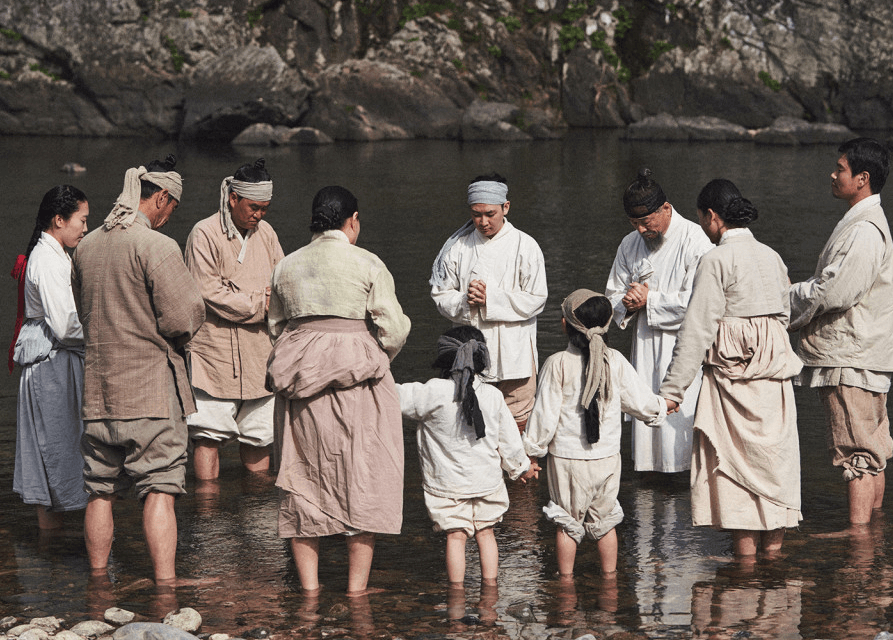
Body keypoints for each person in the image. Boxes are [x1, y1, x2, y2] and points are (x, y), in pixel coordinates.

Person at [266, 185, 411, 595]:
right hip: (358, 381)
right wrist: (368, 352)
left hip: (300, 384)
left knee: (302, 480)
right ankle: (356, 590)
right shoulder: (367, 262)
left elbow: (275, 326)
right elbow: (394, 328)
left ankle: (309, 590)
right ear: (353, 221)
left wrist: (308, 347)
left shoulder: (286, 265)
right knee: (362, 476)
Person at [72, 155, 205, 583]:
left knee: (99, 491)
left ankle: (97, 585)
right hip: (150, 392)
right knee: (160, 488)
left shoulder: (87, 245)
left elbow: (83, 310)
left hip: (97, 393)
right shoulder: (156, 246)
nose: (170, 217)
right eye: (173, 208)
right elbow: (184, 317)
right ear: (162, 197)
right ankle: (166, 586)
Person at [660, 179, 803, 558]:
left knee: (739, 481)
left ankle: (744, 576)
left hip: (733, 386)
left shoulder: (715, 260)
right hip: (775, 385)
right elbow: (785, 315)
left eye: (702, 219)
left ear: (712, 216)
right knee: (774, 475)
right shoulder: (772, 256)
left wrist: (673, 390)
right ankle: (774, 576)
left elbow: (697, 328)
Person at [523, 289, 669, 576]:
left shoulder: (557, 364)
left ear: (566, 325)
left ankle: (565, 586)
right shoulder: (614, 361)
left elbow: (544, 417)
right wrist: (663, 407)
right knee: (606, 522)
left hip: (567, 460)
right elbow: (641, 402)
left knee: (567, 522)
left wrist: (531, 455)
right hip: (607, 458)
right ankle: (610, 584)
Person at [789, 138, 893, 528]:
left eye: (841, 169)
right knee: (874, 447)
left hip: (851, 355)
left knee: (857, 452)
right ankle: (874, 538)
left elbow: (834, 290)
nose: (833, 175)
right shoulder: (865, 222)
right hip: (866, 351)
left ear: (862, 179)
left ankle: (858, 544)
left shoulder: (864, 229)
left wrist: (786, 298)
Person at [397, 326, 536, 585]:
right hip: (488, 482)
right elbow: (510, 442)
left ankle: (457, 594)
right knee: (486, 533)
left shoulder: (432, 392)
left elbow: (391, 396)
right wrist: (522, 468)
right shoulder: (493, 396)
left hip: (447, 485)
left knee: (456, 536)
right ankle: (491, 590)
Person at [605, 168, 713, 473]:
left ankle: (687, 479)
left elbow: (701, 302)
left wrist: (648, 300)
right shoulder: (629, 244)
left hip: (685, 345)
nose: (640, 230)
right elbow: (612, 292)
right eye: (634, 223)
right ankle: (650, 489)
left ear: (665, 209)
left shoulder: (696, 240)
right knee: (647, 419)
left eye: (646, 222)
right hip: (644, 341)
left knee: (683, 418)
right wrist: (626, 303)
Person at [185, 158, 284, 481]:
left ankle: (258, 517)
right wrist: (260, 303)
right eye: (254, 207)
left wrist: (266, 301)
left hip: (259, 352)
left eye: (265, 208)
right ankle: (208, 515)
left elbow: (282, 284)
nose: (259, 214)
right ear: (233, 198)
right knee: (208, 435)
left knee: (260, 436)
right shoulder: (204, 232)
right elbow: (208, 292)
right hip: (214, 352)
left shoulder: (266, 233)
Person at [430, 173, 547, 431]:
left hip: (515, 357)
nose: (483, 222)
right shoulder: (458, 247)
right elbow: (440, 295)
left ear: (506, 207)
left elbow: (537, 299)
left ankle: (518, 470)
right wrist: (466, 300)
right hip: (470, 355)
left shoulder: (525, 246)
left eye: (490, 214)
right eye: (476, 214)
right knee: (472, 426)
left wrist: (490, 299)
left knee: (519, 426)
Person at [9, 185, 90, 529]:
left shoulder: (53, 254)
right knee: (54, 445)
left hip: (50, 361)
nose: (85, 228)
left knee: (52, 447)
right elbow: (66, 327)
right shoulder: (48, 259)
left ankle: (52, 541)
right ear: (59, 220)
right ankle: (57, 541)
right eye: (82, 220)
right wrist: (104, 339)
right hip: (51, 364)